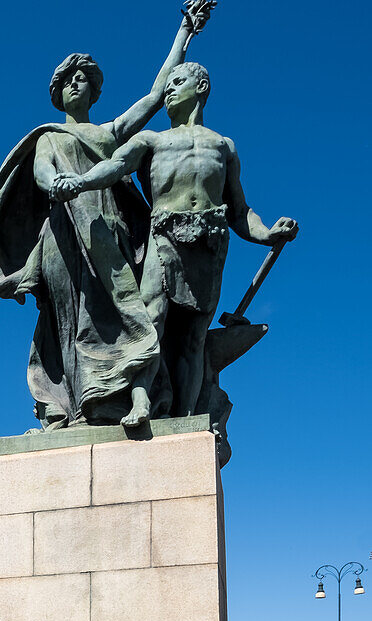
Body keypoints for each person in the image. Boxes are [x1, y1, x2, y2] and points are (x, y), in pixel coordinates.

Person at [0, 2, 213, 429]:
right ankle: (70, 407)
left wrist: (185, 32)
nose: (74, 84)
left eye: (82, 78)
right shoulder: (50, 136)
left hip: (107, 234)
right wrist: (57, 185)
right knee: (69, 320)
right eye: (67, 80)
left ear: (95, 91)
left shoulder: (108, 133)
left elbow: (157, 95)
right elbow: (44, 173)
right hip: (64, 236)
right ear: (57, 92)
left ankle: (115, 399)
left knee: (119, 313)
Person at [53, 62, 298, 418]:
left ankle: (186, 417)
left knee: (194, 338)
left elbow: (240, 211)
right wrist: (81, 182)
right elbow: (116, 166)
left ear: (201, 87)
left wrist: (267, 233)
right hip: (164, 235)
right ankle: (140, 401)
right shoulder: (152, 140)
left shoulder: (223, 145)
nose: (169, 90)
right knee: (152, 319)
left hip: (210, 242)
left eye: (177, 82)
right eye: (167, 85)